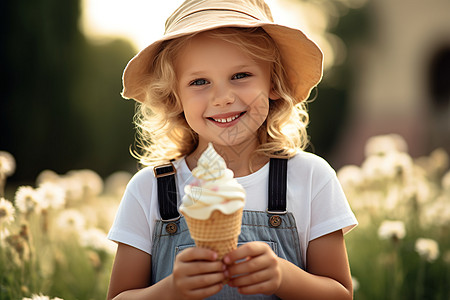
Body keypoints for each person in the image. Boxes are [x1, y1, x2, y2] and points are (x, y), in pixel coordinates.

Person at [107, 0, 358, 299]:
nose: (223, 97)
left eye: (240, 76)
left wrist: (283, 276)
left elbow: (341, 293)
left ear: (273, 82)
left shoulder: (311, 178)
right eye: (199, 81)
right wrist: (171, 289)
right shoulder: (149, 190)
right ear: (175, 98)